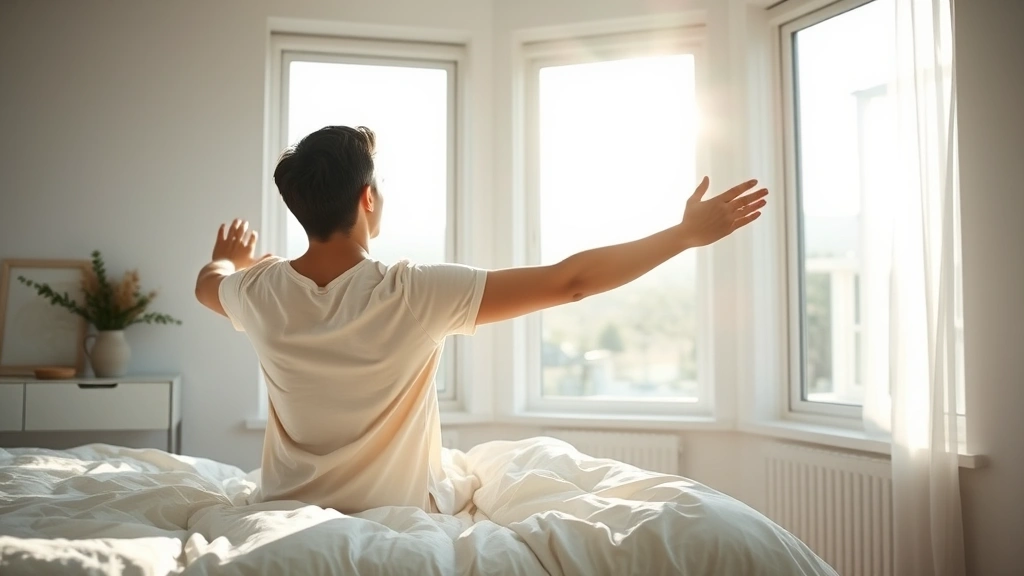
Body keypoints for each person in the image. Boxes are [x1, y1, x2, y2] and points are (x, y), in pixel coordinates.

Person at [194, 125, 767, 515]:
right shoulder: (410, 291)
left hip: (283, 504)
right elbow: (568, 281)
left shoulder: (260, 291)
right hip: (400, 512)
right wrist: (684, 236)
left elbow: (206, 286)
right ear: (367, 198)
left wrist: (235, 258)